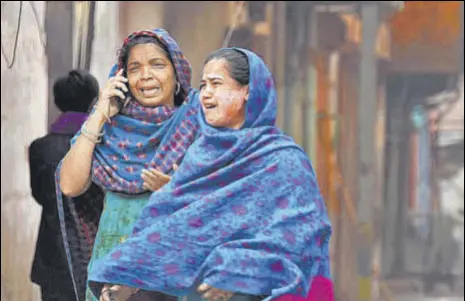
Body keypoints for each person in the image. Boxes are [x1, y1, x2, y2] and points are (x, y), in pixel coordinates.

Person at [87, 48, 334, 301]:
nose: (206, 94)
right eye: (203, 85)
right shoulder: (200, 155)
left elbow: (302, 239)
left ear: (248, 91)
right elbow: (169, 227)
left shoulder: (284, 160)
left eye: (216, 84)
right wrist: (131, 277)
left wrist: (241, 272)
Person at [57, 29, 200, 301]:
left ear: (177, 72)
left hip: (176, 272)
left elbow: (223, 204)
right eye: (135, 68)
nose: (145, 75)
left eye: (157, 64)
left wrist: (174, 191)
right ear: (122, 78)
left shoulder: (196, 125)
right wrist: (100, 113)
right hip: (113, 272)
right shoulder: (108, 129)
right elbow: (69, 185)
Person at [28, 69, 102, 301]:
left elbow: (40, 195)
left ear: (58, 102)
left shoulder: (40, 148)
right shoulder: (101, 145)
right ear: (93, 101)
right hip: (95, 251)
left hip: (54, 255)